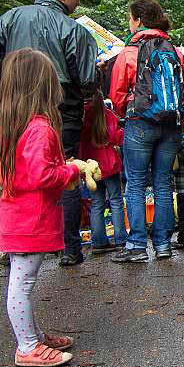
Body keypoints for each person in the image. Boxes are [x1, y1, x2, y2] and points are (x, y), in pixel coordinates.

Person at [0, 0, 98, 267]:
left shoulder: (11, 17)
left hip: (13, 107)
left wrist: (7, 82)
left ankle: (11, 248)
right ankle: (69, 248)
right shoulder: (74, 30)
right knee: (65, 168)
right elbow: (85, 79)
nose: (76, 4)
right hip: (61, 108)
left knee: (12, 167)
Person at [0, 49, 84, 367]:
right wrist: (71, 170)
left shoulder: (9, 126)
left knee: (22, 282)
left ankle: (32, 335)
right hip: (30, 220)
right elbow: (42, 175)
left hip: (16, 215)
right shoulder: (39, 128)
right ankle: (27, 345)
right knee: (22, 283)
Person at [108, 0, 184, 262]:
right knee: (163, 183)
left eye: (130, 18)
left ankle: (137, 246)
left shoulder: (130, 52)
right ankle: (164, 244)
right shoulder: (174, 51)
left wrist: (128, 113)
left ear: (139, 21)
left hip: (140, 123)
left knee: (136, 184)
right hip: (171, 126)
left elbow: (117, 93)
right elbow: (183, 86)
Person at [80, 89, 126, 254]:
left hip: (90, 166)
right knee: (115, 201)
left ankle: (99, 241)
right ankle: (121, 238)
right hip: (109, 164)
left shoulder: (82, 117)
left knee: (97, 202)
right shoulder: (108, 115)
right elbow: (116, 137)